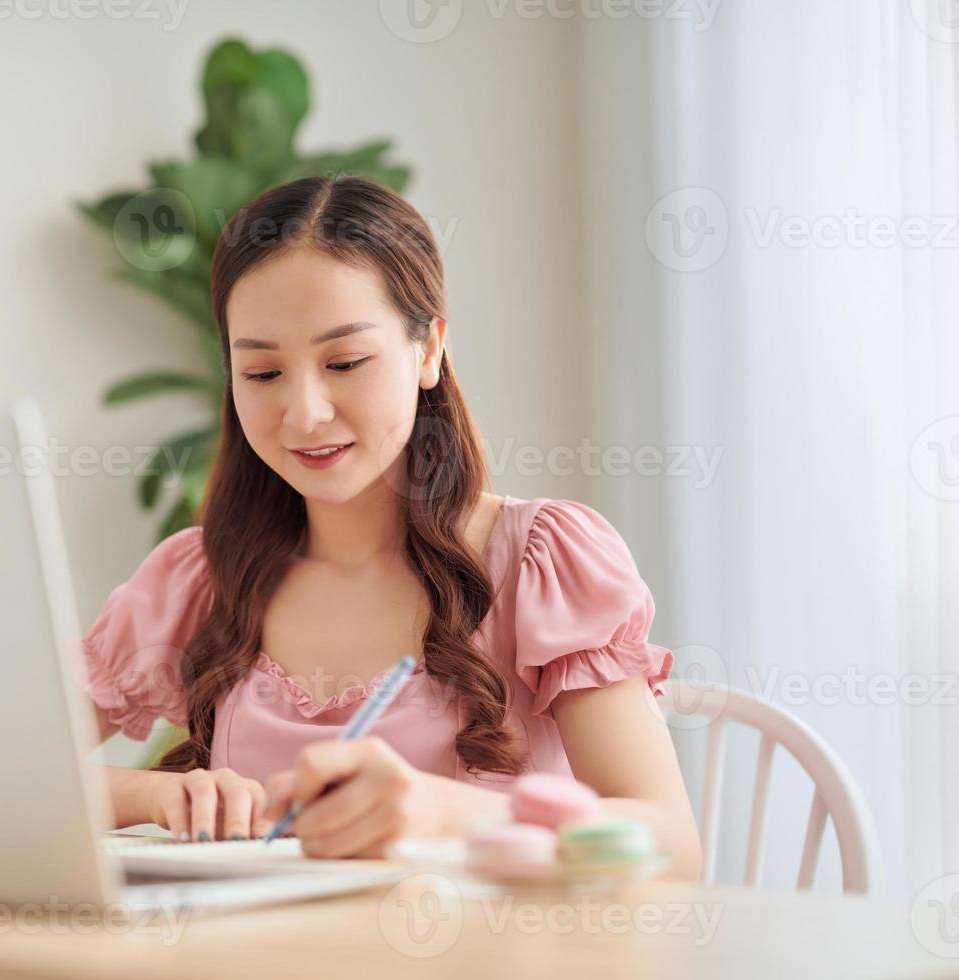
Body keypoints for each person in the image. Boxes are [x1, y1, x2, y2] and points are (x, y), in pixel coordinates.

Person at [82, 175, 701, 879]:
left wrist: (443, 814)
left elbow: (671, 843)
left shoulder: (539, 562)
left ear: (429, 349)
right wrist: (153, 795)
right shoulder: (197, 578)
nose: (305, 411)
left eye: (344, 362)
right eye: (261, 373)